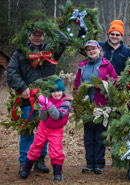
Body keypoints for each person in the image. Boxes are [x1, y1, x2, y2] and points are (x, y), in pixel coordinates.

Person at [7, 27, 67, 173]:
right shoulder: (20, 53)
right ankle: (24, 162)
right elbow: (11, 72)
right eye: (35, 34)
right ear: (29, 35)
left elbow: (64, 41)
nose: (38, 38)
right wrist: (22, 88)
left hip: (46, 99)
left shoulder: (50, 51)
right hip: (28, 99)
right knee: (27, 131)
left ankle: (40, 160)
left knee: (45, 130)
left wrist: (49, 27)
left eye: (41, 35)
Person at [74, 40, 118, 175]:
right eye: (89, 50)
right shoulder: (82, 66)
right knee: (88, 137)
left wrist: (104, 86)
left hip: (101, 107)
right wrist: (77, 102)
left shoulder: (107, 65)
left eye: (94, 49)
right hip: (86, 106)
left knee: (100, 137)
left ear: (99, 49)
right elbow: (77, 84)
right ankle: (89, 164)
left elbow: (114, 83)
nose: (92, 51)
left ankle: (99, 164)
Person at [19, 77, 72, 182]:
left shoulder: (66, 103)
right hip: (43, 128)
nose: (56, 94)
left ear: (62, 91)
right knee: (35, 147)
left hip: (56, 131)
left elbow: (57, 115)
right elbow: (43, 118)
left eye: (58, 91)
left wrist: (48, 104)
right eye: (53, 92)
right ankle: (26, 168)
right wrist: (43, 108)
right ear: (50, 93)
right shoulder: (49, 100)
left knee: (56, 151)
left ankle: (57, 173)